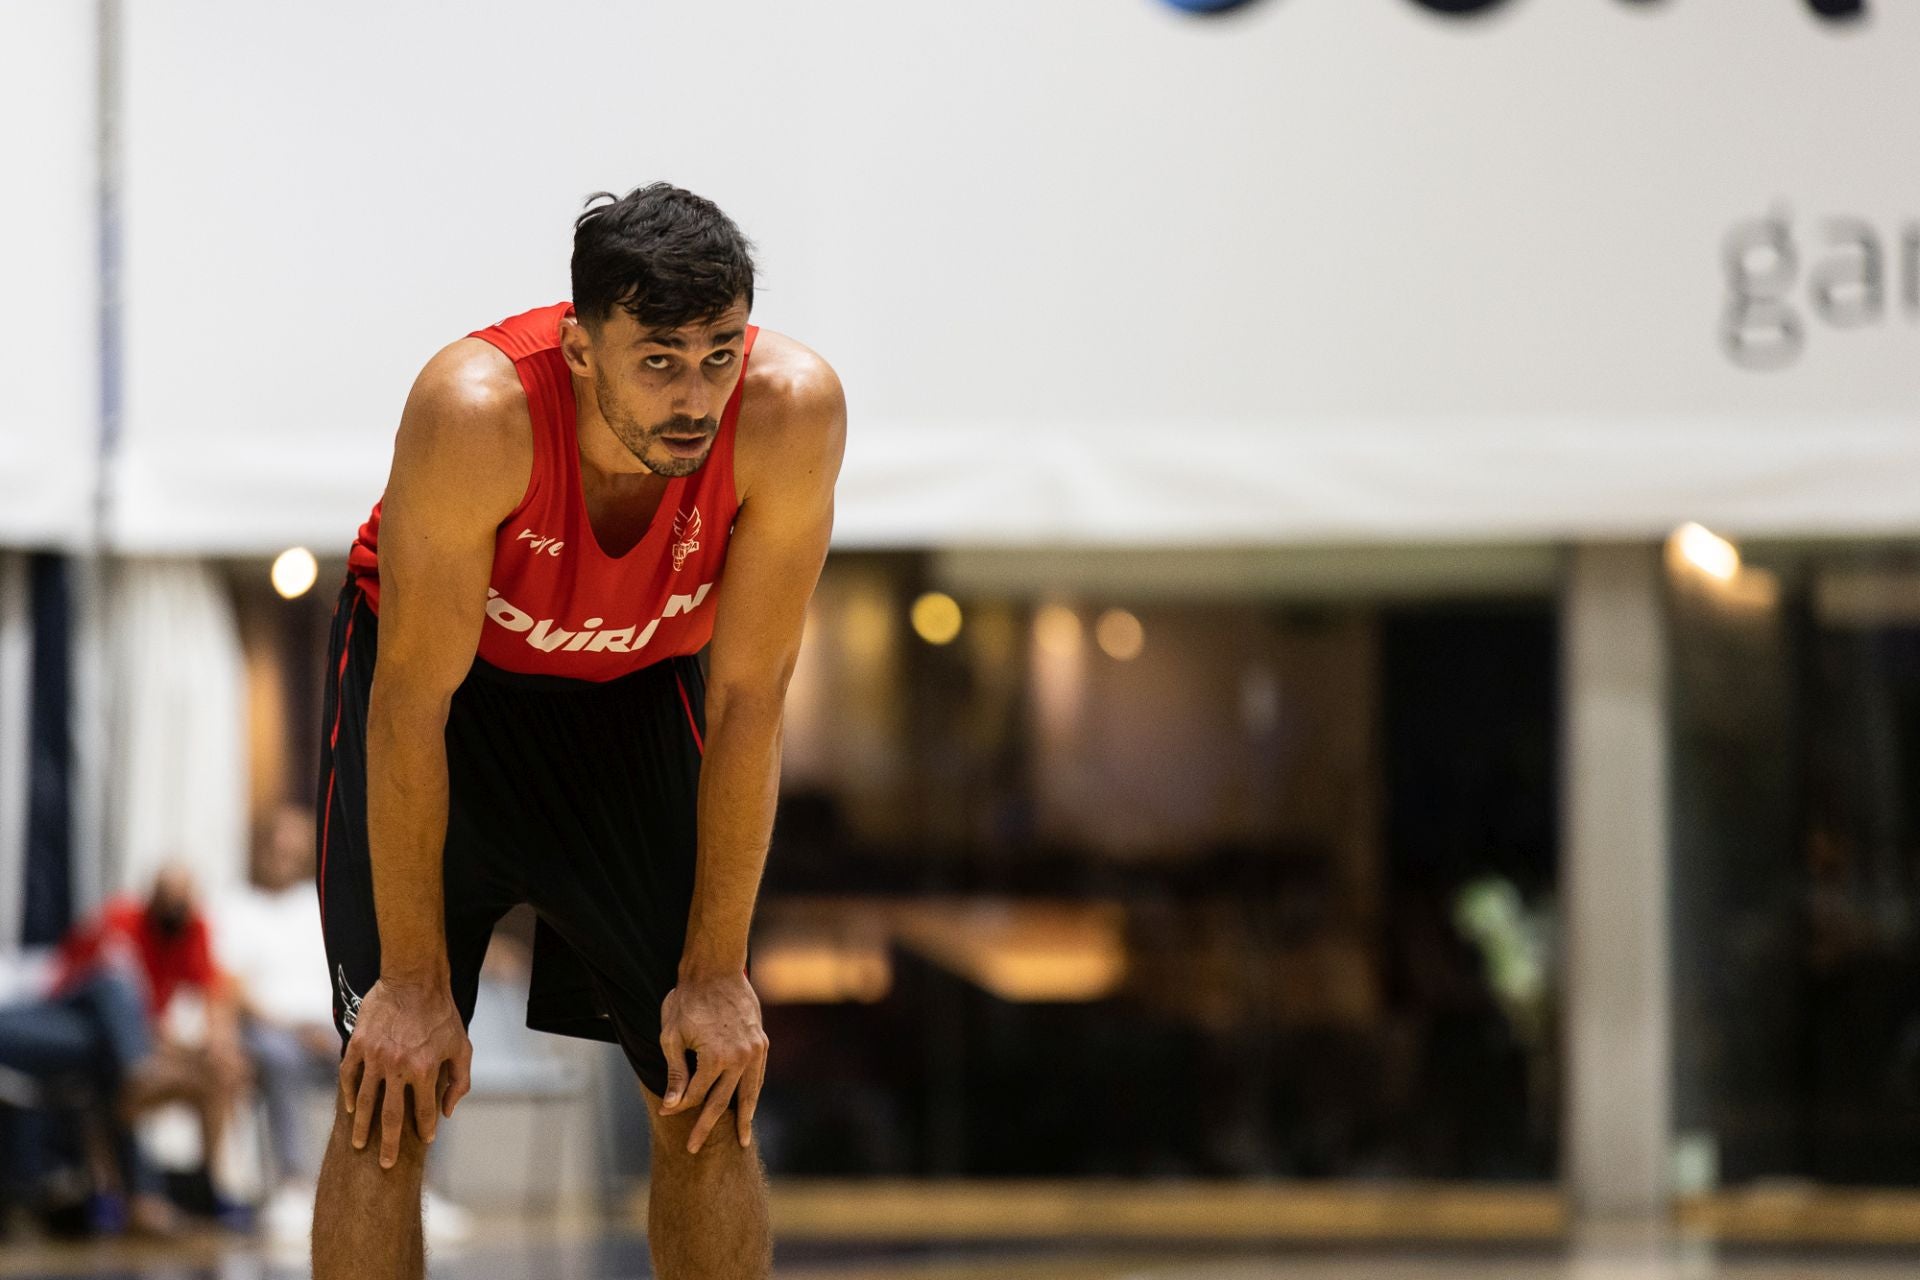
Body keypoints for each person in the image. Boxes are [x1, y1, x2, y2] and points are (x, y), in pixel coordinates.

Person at [311, 183, 845, 1280]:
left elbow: (750, 698)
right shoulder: (475, 409)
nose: (694, 396)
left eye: (718, 353)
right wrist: (413, 980)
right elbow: (411, 699)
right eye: (658, 360)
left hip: (636, 698)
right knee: (387, 1083)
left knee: (706, 1077)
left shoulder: (792, 411)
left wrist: (718, 969)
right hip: (451, 707)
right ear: (580, 347)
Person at [216, 804, 469, 1245]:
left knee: (416, 1048)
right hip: (274, 1031)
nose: (283, 851)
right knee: (277, 1056)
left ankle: (420, 1188)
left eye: (293, 842)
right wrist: (296, 1030)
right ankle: (293, 1186)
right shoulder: (237, 907)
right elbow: (231, 989)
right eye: (276, 841)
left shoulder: (324, 904)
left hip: (337, 1025)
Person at [0, 865, 250, 1234]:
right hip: (53, 1011)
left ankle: (185, 1194)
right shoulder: (122, 920)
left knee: (113, 1061)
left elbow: (213, 992)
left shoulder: (191, 929)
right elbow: (126, 1005)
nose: (174, 908)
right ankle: (137, 1084)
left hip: (99, 1042)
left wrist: (217, 1046)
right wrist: (169, 1057)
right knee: (116, 984)